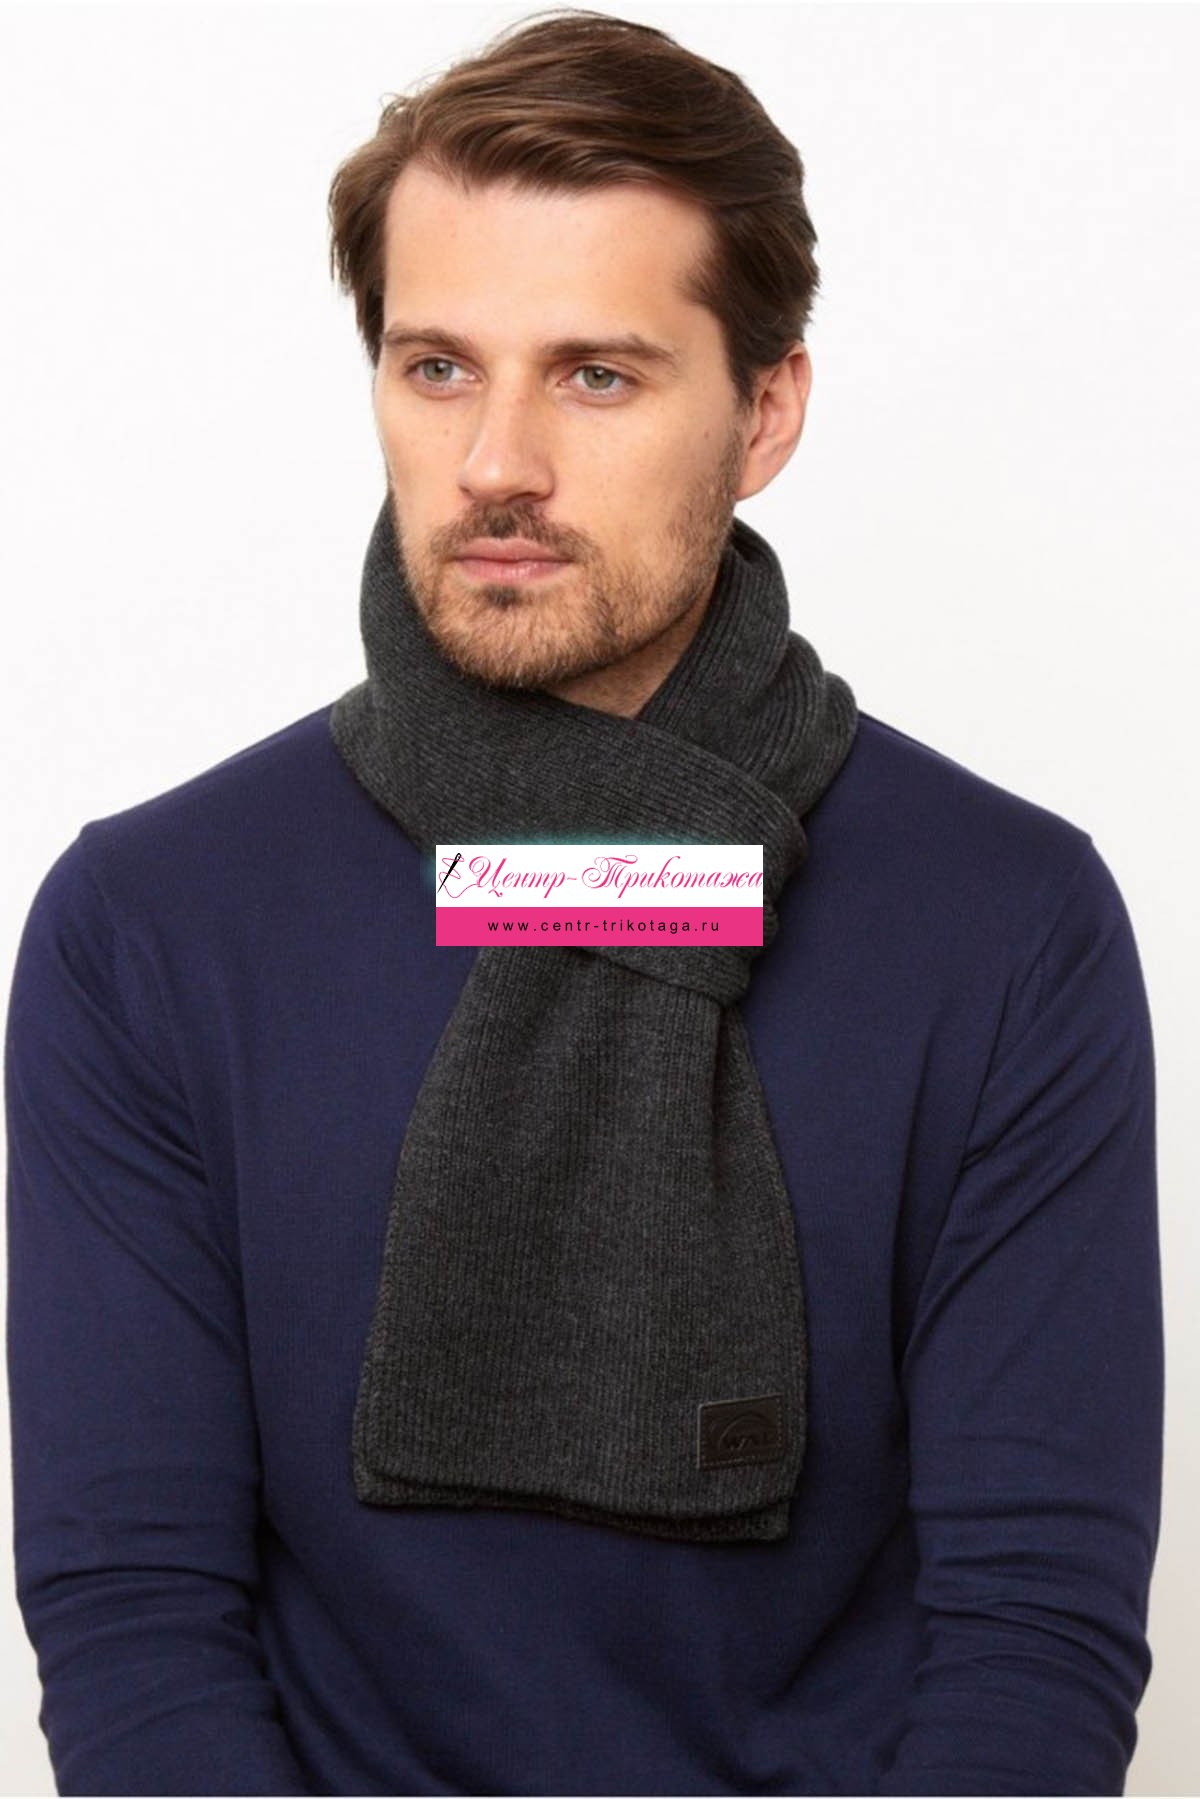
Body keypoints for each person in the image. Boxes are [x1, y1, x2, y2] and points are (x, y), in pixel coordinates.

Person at [5, 11, 1163, 1796]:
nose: (497, 464)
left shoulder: (1009, 925)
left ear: (764, 410)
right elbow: (137, 1619)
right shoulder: (149, 928)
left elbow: (1033, 1638)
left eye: (597, 376)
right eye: (437, 367)